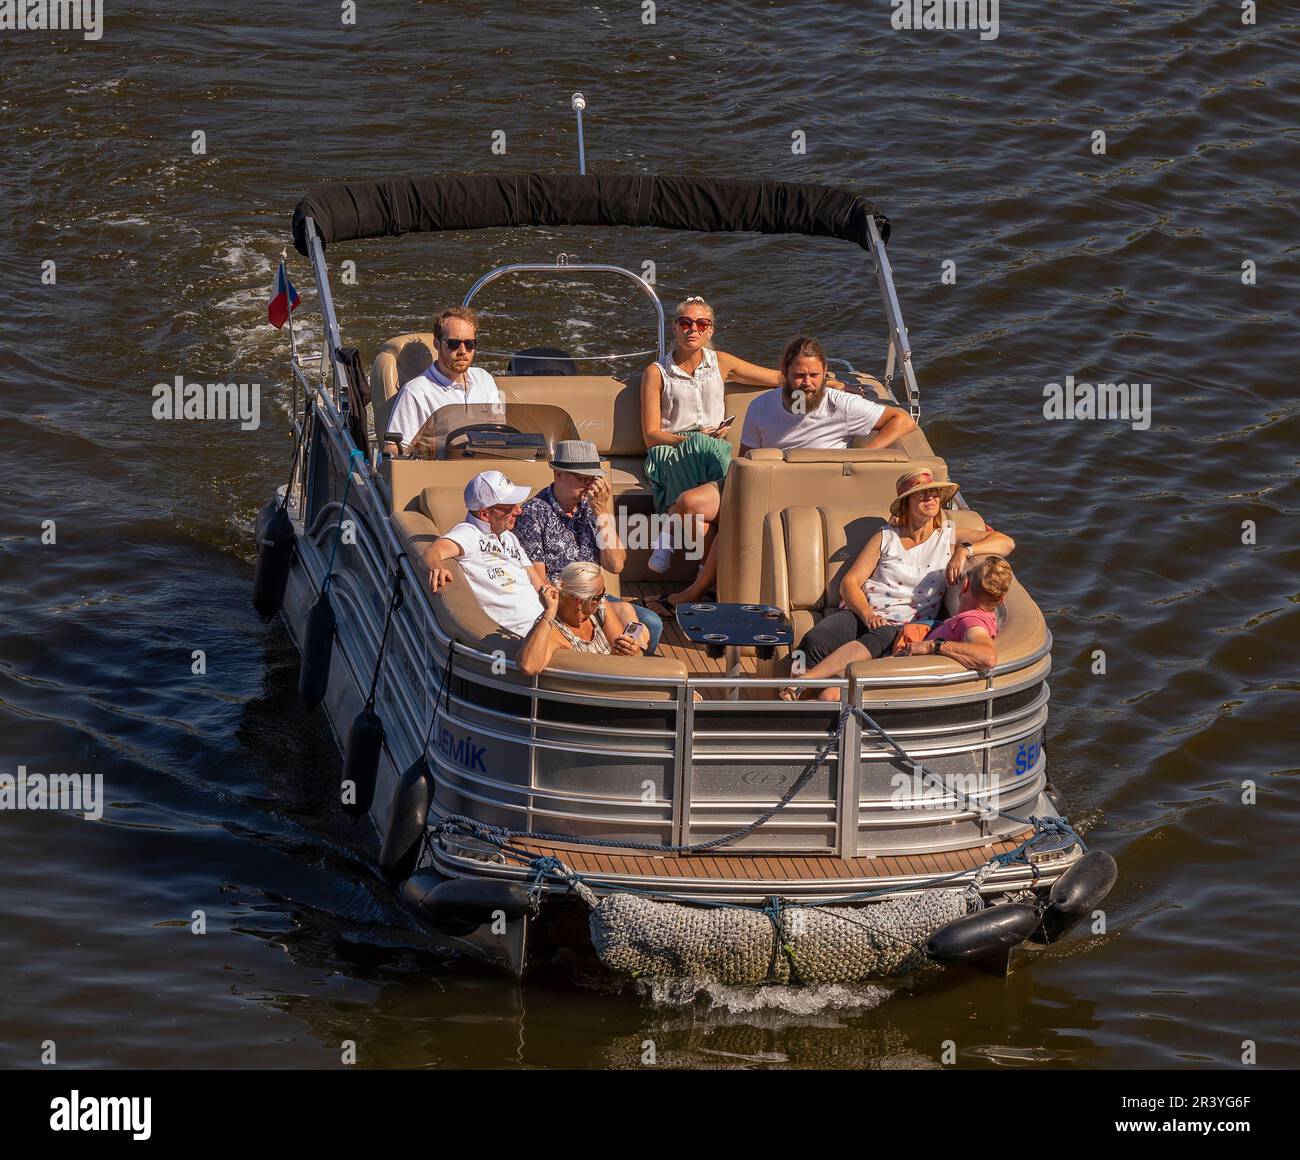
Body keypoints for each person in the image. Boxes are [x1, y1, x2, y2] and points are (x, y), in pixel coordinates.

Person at [779, 468, 1015, 701]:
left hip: (906, 624)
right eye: (921, 494)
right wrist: (867, 614)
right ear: (906, 503)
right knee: (811, 642)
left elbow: (1006, 542)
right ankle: (794, 691)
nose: (930, 498)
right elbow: (850, 583)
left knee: (866, 647)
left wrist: (966, 550)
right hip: (865, 613)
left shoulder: (948, 537)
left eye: (934, 493)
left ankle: (808, 696)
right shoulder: (886, 537)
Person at [639, 295, 785, 617]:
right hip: (673, 451)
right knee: (723, 496)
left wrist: (823, 383)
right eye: (685, 323)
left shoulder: (722, 363)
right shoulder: (656, 372)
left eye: (701, 324)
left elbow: (777, 378)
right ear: (676, 328)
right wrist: (691, 437)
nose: (693, 329)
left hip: (712, 453)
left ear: (710, 331)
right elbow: (651, 435)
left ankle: (691, 569)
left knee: (707, 523)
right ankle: (711, 589)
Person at [512, 439, 664, 654]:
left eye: (593, 479)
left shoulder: (593, 508)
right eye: (582, 479)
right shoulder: (534, 514)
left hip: (596, 597)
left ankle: (629, 672)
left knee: (651, 623)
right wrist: (592, 608)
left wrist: (602, 513)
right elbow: (539, 581)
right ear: (558, 474)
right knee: (637, 624)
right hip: (565, 602)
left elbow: (616, 565)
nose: (588, 486)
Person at [418, 470, 547, 636]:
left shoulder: (510, 538)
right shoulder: (469, 534)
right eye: (510, 508)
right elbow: (432, 551)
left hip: (544, 625)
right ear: (485, 514)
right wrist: (436, 566)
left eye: (517, 504)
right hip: (517, 636)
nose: (518, 511)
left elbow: (540, 585)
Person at [740, 335, 916, 453]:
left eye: (814, 375)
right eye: (799, 376)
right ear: (784, 371)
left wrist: (866, 455)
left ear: (825, 372)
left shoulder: (843, 405)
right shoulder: (759, 408)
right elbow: (745, 461)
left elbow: (904, 419)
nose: (807, 383)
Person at [383, 306, 503, 454]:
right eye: (454, 343)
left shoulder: (484, 379)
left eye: (469, 344)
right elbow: (393, 449)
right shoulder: (416, 392)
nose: (462, 351)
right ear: (437, 344)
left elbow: (500, 432)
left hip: (488, 465)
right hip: (442, 472)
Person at [517, 562, 647, 675]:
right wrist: (549, 613)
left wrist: (632, 651)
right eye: (600, 595)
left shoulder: (600, 608)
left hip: (611, 683)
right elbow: (528, 666)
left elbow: (621, 655)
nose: (603, 597)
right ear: (580, 602)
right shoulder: (553, 629)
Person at [899, 555, 1014, 672]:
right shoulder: (984, 617)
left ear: (964, 585)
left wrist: (933, 646)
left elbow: (988, 658)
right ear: (1001, 600)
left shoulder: (971, 622)